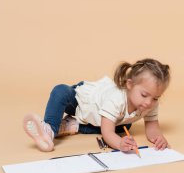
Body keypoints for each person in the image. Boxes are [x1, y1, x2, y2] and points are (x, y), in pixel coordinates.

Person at [23, 58, 171, 152]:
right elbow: (107, 134)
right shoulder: (117, 100)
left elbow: (152, 130)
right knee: (60, 91)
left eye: (156, 98)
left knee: (123, 127)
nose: (148, 103)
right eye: (144, 95)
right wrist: (120, 144)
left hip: (99, 118)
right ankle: (49, 129)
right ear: (130, 84)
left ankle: (74, 125)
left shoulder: (150, 104)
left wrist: (158, 139)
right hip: (81, 103)